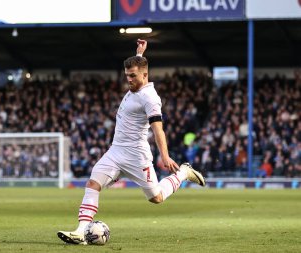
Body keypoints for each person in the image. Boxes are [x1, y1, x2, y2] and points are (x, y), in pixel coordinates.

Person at [57, 39, 206, 245]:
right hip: (116, 151)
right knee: (93, 184)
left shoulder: (150, 98)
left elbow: (157, 128)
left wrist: (165, 155)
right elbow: (139, 65)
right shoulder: (137, 83)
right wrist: (140, 52)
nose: (129, 80)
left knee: (156, 198)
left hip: (137, 155)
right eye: (127, 76)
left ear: (145, 75)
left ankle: (183, 173)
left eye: (133, 76)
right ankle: (81, 232)